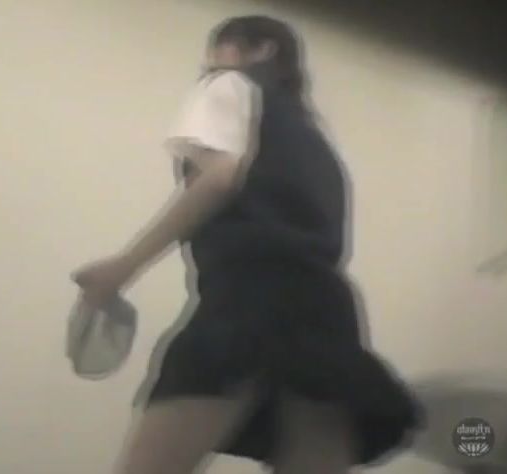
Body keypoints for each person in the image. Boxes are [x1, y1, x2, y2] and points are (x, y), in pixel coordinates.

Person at [73, 15, 421, 474]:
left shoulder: (229, 85)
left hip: (247, 304)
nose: (209, 62)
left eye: (219, 48)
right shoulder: (315, 143)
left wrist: (124, 266)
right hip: (327, 317)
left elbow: (219, 177)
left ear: (263, 50)